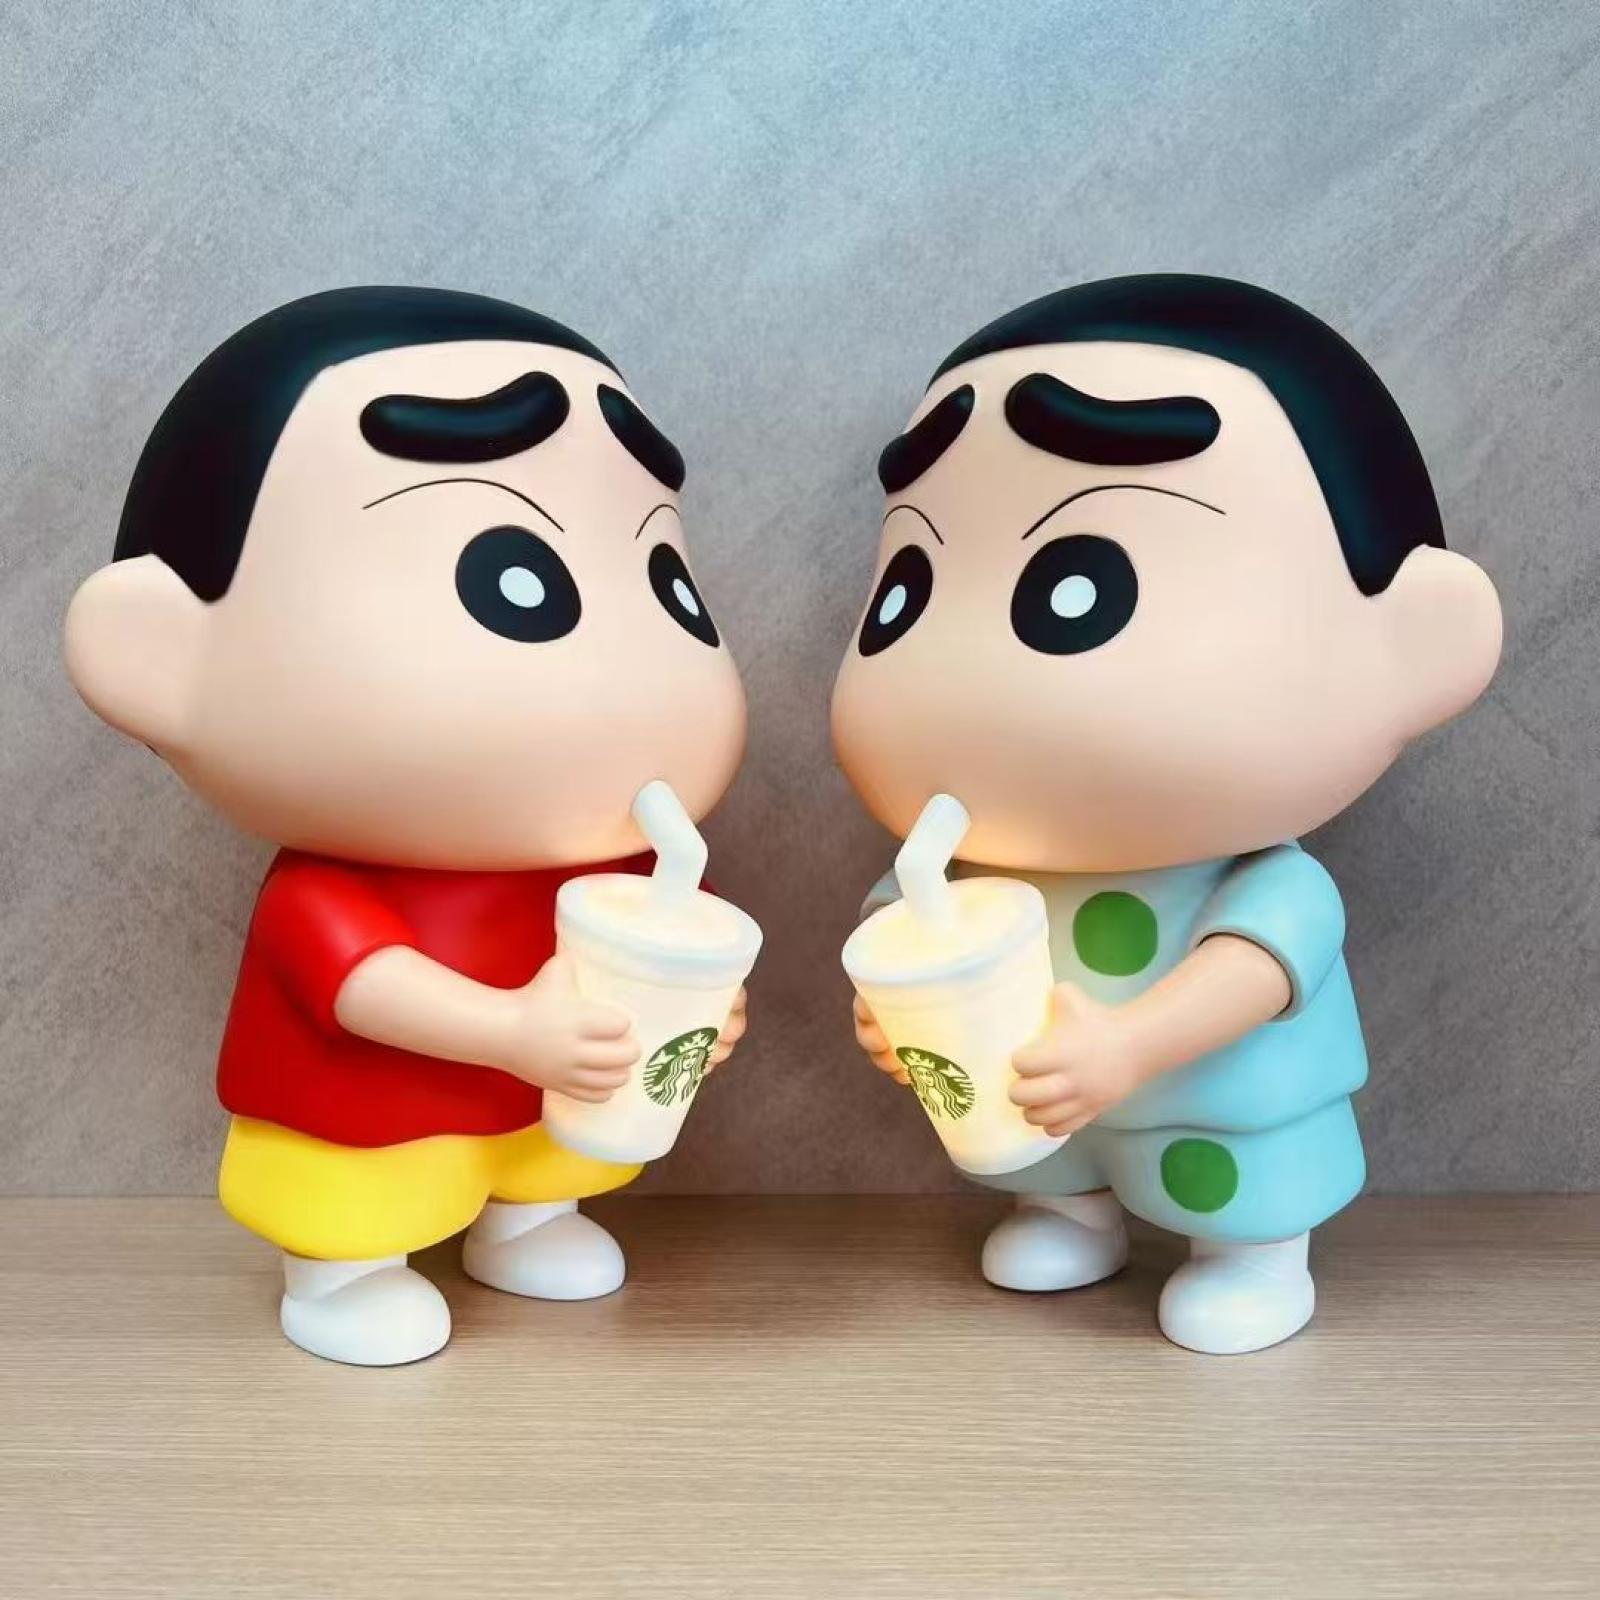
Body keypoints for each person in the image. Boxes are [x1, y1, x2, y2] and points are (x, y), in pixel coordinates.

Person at [65, 287, 749, 1365]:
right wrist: (509, 1031)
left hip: (546, 1103)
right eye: (511, 582)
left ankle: (528, 1222)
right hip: (370, 1112)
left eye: (667, 580)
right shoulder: (325, 889)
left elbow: (679, 954)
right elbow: (363, 985)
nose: (635, 669)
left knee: (553, 1156)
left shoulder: (632, 865)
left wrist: (706, 1011)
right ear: (157, 657)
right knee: (361, 1191)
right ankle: (340, 1281)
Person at [833, 274, 1501, 1354]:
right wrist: (893, 1014)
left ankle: (1254, 1258)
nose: (960, 671)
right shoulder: (960, 863)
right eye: (907, 587)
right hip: (1044, 1118)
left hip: (1220, 1112)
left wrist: (1134, 1042)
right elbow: (905, 927)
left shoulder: (1270, 882)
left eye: (1080, 585)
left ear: (1417, 644)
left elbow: (1255, 967)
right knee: (1048, 1150)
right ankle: (1068, 1214)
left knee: (1234, 1173)